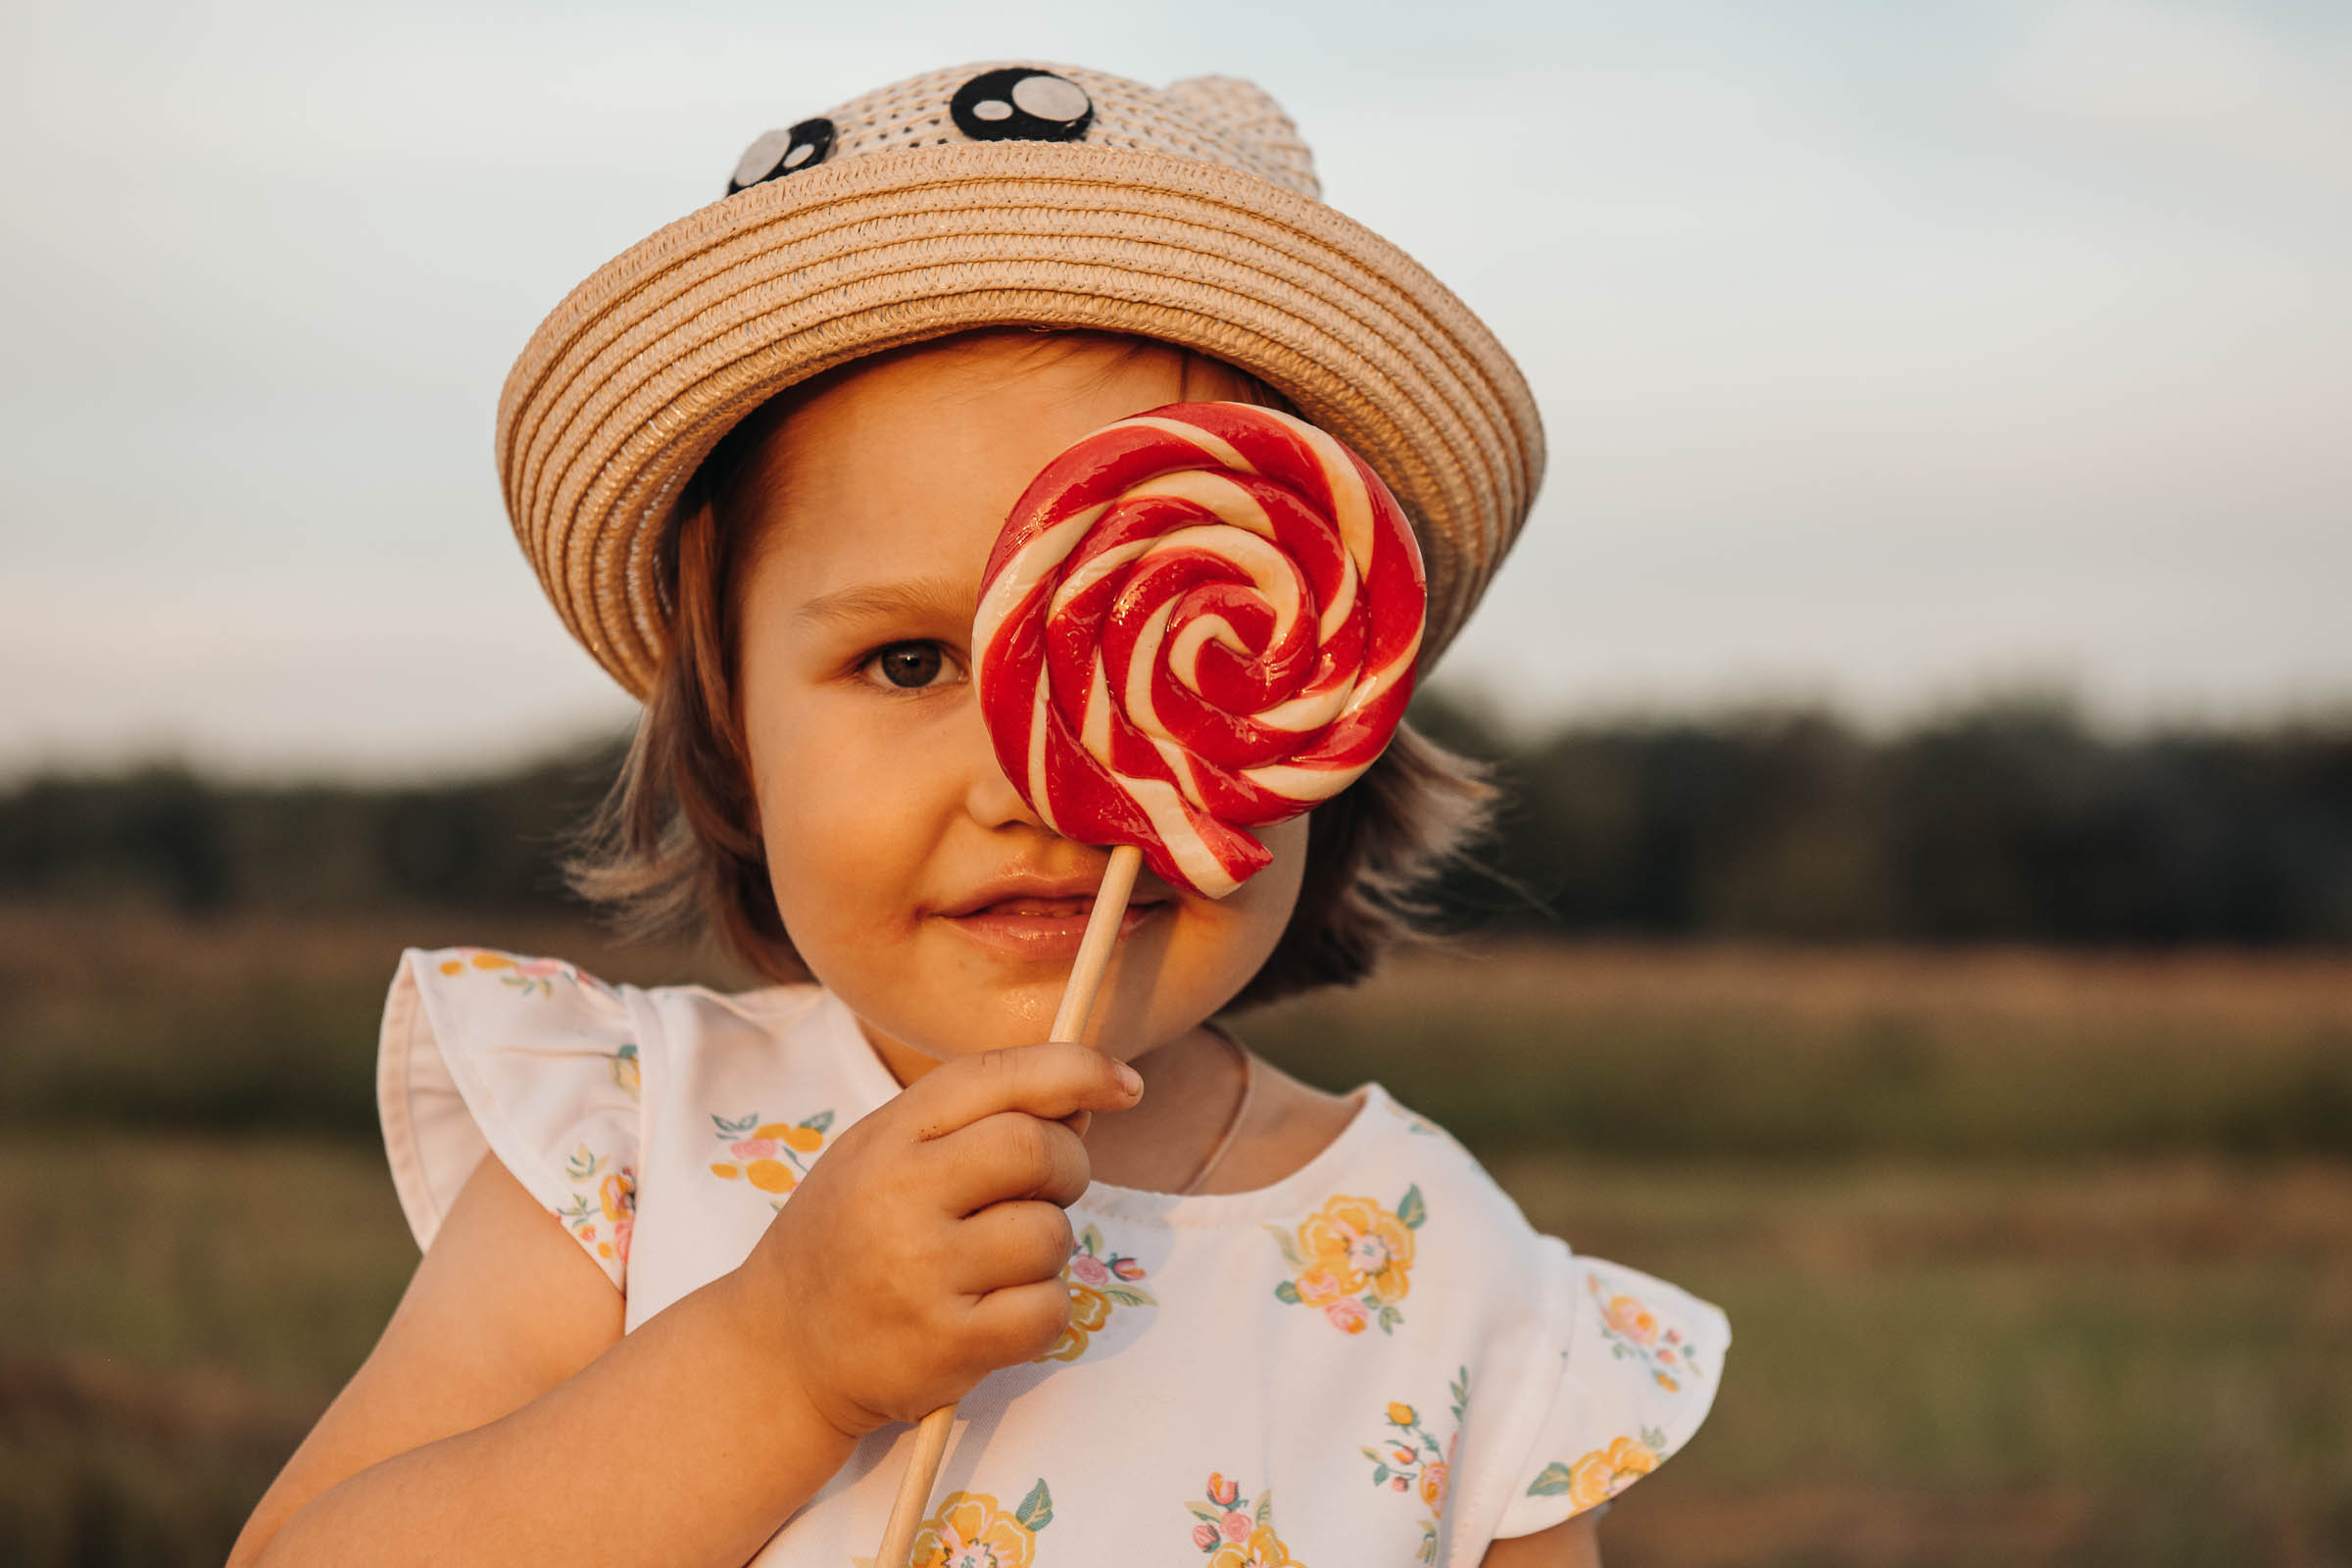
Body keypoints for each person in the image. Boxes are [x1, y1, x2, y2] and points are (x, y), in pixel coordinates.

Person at [230, 61, 1729, 1568]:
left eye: (1163, 646)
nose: (1035, 777)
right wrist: (773, 1366)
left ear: (1310, 702)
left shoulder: (1459, 1289)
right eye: (907, 660)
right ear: (731, 723)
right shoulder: (626, 1148)